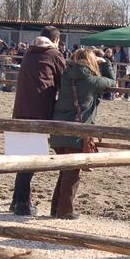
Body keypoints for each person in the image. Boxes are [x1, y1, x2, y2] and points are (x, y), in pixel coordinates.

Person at [49, 48, 117, 219]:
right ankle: (65, 211)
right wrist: (105, 62)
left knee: (65, 170)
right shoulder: (91, 80)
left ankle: (56, 208)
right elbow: (112, 82)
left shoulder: (65, 75)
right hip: (76, 133)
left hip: (57, 130)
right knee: (72, 173)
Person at [9, 27, 67, 217]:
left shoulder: (28, 53)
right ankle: (22, 204)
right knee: (32, 158)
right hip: (39, 112)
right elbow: (65, 81)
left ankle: (17, 200)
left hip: (20, 110)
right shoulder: (54, 54)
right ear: (55, 40)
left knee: (24, 156)